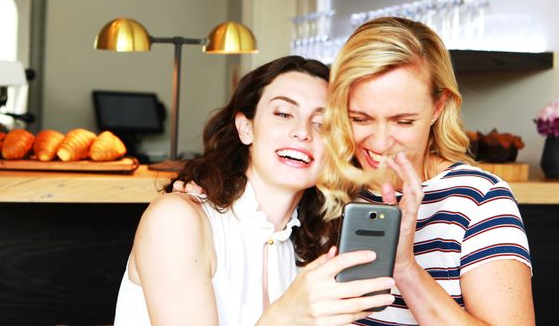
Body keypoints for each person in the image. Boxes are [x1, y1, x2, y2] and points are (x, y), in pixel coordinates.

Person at [113, 56, 422, 326]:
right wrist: (286, 316)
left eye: (322, 123)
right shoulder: (177, 220)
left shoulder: (318, 245)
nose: (302, 132)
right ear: (246, 127)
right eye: (283, 114)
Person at [318, 17, 534, 325]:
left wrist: (405, 267)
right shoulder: (327, 191)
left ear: (437, 107)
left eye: (403, 121)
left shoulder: (479, 199)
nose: (380, 142)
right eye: (360, 118)